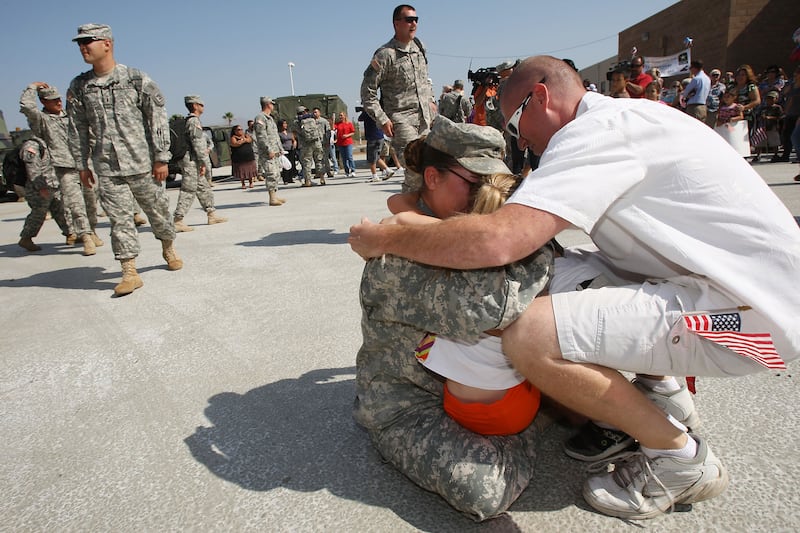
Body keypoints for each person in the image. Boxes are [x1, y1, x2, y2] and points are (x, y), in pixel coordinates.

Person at [350, 55, 800, 520]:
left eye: (516, 124)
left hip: (752, 320)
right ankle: (657, 396)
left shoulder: (597, 134)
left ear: (540, 97)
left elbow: (499, 241)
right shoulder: (627, 119)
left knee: (532, 334)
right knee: (569, 276)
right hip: (736, 292)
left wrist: (385, 235)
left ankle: (679, 460)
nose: (520, 139)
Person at [354, 117, 553, 520]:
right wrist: (532, 239)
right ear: (432, 177)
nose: (489, 194)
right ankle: (536, 428)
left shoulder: (436, 229)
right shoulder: (395, 255)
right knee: (483, 492)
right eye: (476, 182)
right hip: (409, 404)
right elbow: (493, 307)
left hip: (472, 389)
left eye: (496, 183)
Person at [67, 23, 182, 297]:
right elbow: (77, 128)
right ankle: (129, 270)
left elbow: (157, 120)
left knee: (159, 214)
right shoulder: (81, 86)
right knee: (119, 220)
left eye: (89, 41)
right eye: (80, 43)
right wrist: (81, 165)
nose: (83, 47)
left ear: (107, 43)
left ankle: (168, 247)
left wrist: (161, 157)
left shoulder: (135, 79)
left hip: (143, 163)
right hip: (107, 166)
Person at [19, 82, 101, 255]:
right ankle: (85, 236)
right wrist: (32, 87)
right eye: (52, 100)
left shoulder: (71, 115)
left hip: (84, 164)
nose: (57, 102)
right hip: (63, 168)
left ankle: (91, 230)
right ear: (43, 102)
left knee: (92, 201)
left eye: (58, 99)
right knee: (75, 205)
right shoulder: (42, 120)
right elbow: (27, 106)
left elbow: (89, 131)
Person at [360, 4, 435, 193]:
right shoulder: (385, 54)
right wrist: (382, 119)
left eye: (416, 20)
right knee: (415, 169)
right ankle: (412, 214)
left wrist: (431, 101)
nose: (414, 24)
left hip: (424, 119)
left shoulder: (419, 47)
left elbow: (424, 80)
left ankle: (421, 213)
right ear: (396, 24)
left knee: (429, 169)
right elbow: (367, 93)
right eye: (409, 20)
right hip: (401, 120)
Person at [173, 95, 227, 232]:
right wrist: (203, 162)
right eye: (201, 105)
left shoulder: (191, 121)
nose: (203, 107)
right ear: (195, 105)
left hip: (193, 160)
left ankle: (211, 214)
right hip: (191, 161)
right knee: (188, 189)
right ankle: (178, 220)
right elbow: (197, 143)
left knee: (203, 188)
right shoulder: (193, 121)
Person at [16, 136, 71, 252]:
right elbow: (33, 169)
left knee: (60, 210)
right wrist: (41, 187)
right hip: (38, 188)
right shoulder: (32, 145)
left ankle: (71, 234)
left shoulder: (48, 141)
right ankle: (26, 238)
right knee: (38, 214)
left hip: (52, 185)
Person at [253, 96, 286, 204]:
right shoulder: (260, 118)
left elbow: (275, 136)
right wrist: (269, 150)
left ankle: (275, 195)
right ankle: (272, 198)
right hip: (268, 153)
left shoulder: (270, 118)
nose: (273, 106)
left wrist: (280, 149)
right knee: (271, 174)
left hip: (275, 151)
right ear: (268, 104)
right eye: (272, 104)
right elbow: (262, 136)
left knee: (276, 174)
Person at [357, 109, 395, 182]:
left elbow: (360, 118)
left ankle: (374, 175)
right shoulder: (379, 112)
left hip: (372, 137)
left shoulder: (367, 112)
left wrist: (363, 110)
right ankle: (388, 170)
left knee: (371, 158)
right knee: (376, 156)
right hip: (380, 136)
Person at [292, 106, 325, 187]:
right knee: (319, 160)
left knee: (307, 163)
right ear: (305, 111)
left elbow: (296, 132)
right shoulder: (312, 119)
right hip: (316, 142)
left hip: (305, 144)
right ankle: (322, 179)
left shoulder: (296, 122)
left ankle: (308, 181)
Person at [229, 124, 258, 189]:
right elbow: (235, 144)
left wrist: (243, 140)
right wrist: (243, 140)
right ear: (235, 131)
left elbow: (249, 140)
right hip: (239, 158)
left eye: (241, 129)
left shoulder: (246, 135)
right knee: (241, 171)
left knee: (250, 171)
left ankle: (251, 183)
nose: (241, 131)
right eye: (239, 130)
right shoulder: (233, 137)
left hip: (249, 157)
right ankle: (243, 184)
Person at [334, 111, 356, 177]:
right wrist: (333, 119)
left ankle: (352, 170)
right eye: (339, 115)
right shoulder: (338, 124)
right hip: (340, 143)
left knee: (349, 156)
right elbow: (333, 128)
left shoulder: (349, 124)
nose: (340, 117)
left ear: (344, 116)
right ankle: (346, 172)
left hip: (348, 142)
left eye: (341, 115)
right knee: (344, 158)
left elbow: (353, 132)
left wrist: (347, 135)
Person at [276, 118, 297, 184]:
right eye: (284, 124)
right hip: (284, 150)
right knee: (285, 164)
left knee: (291, 163)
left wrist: (294, 144)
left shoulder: (289, 132)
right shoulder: (279, 134)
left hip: (291, 149)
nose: (285, 125)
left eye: (286, 123)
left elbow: (293, 140)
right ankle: (286, 179)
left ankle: (290, 178)